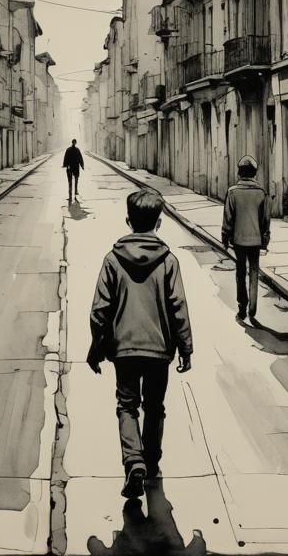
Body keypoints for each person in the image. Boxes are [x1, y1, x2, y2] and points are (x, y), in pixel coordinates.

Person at [87, 189, 192, 499]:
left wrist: (97, 346)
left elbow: (99, 310)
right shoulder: (169, 261)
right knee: (155, 406)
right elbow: (178, 307)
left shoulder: (112, 260)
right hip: (160, 349)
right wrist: (185, 347)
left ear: (128, 221)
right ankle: (151, 459)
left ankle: (133, 462)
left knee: (127, 406)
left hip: (124, 349)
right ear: (159, 223)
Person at [222, 155, 269, 323]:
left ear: (239, 173)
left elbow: (228, 218)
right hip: (255, 240)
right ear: (255, 173)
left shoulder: (232, 192)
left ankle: (242, 306)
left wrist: (225, 237)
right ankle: (253, 308)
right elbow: (265, 220)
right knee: (254, 272)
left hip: (239, 239)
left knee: (240, 272)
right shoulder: (261, 193)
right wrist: (265, 239)